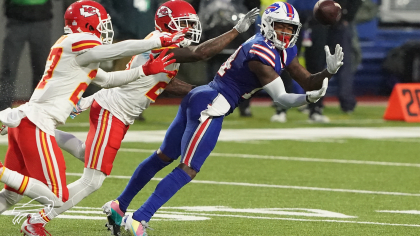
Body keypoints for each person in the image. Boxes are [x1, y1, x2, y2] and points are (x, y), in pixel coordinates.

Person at [104, 2, 344, 236]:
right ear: (269, 25)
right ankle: (139, 218)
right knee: (188, 168)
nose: (286, 32)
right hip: (212, 104)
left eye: (290, 28)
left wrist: (328, 73)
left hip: (202, 97)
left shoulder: (283, 49)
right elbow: (281, 98)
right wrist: (309, 100)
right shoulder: (259, 52)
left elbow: (307, 81)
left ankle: (119, 205)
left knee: (163, 157)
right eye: (281, 27)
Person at [29, 1, 258, 235]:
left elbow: (164, 81)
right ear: (169, 24)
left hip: (115, 110)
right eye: (184, 24)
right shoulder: (162, 43)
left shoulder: (161, 41)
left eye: (191, 23)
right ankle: (38, 219)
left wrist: (201, 93)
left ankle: (36, 127)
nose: (189, 28)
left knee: (86, 153)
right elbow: (201, 53)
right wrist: (236, 31)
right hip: (113, 112)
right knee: (92, 181)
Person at [0, 0, 187, 234]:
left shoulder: (75, 49)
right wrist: (156, 41)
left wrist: (143, 71)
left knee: (10, 195)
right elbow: (114, 51)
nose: (104, 28)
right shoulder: (78, 41)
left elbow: (108, 80)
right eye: (101, 23)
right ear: (87, 23)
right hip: (37, 123)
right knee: (57, 197)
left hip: (30, 120)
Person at [271, 0, 331, 123]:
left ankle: (315, 109)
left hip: (317, 21)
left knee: (317, 66)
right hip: (292, 20)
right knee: (286, 64)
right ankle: (281, 108)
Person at [0, 0, 53, 111]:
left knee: (42, 70)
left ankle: (39, 108)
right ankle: (3, 109)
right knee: (8, 69)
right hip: (16, 21)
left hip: (41, 20)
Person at [328, 0, 362, 113]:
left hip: (337, 24)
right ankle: (314, 103)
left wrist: (347, 17)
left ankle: (346, 101)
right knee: (316, 63)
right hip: (324, 24)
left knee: (343, 64)